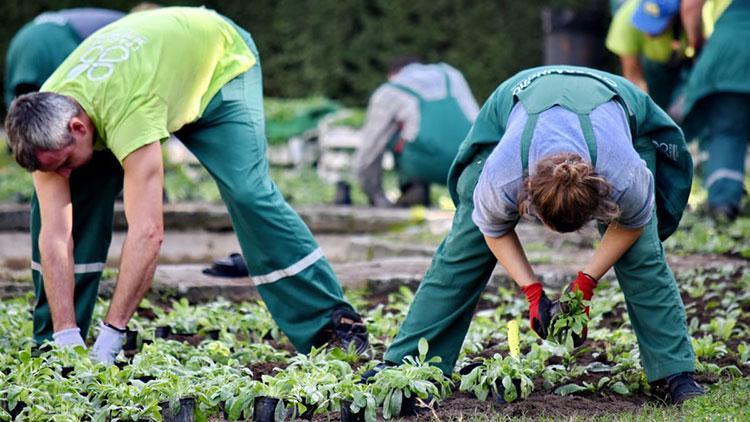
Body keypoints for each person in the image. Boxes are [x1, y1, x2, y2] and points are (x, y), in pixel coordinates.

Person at [4, 7, 368, 364]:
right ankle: (57, 343)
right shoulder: (43, 115)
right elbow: (54, 236)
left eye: (65, 163)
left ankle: (330, 324)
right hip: (155, 70)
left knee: (249, 193)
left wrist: (113, 333)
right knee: (77, 200)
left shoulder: (130, 109)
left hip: (217, 64)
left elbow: (147, 232)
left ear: (78, 128)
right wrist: (65, 332)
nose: (63, 174)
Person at [367, 65, 704, 404]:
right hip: (517, 99)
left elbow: (633, 224)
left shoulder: (624, 173)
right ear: (525, 198)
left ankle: (674, 372)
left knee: (641, 254)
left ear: (604, 196)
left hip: (617, 101)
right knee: (467, 240)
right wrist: (532, 292)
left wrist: (585, 284)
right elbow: (493, 229)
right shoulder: (503, 176)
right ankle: (407, 363)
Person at [354, 57, 479, 207]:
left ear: (392, 75)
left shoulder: (389, 91)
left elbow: (371, 148)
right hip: (470, 160)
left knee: (394, 133)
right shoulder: (451, 75)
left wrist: (373, 192)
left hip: (427, 163)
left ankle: (413, 188)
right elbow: (477, 119)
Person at [679, 0, 749, 221]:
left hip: (730, 54)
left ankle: (723, 204)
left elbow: (691, 5)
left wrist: (695, 40)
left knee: (728, 131)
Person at [4, 8, 125, 109]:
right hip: (57, 39)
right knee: (76, 100)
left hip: (21, 38)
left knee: (20, 108)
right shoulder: (126, 21)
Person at [605, 0, 690, 109]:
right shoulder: (625, 21)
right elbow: (634, 77)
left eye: (656, 25)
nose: (648, 34)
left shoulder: (691, 19)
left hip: (684, 64)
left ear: (673, 17)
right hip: (649, 66)